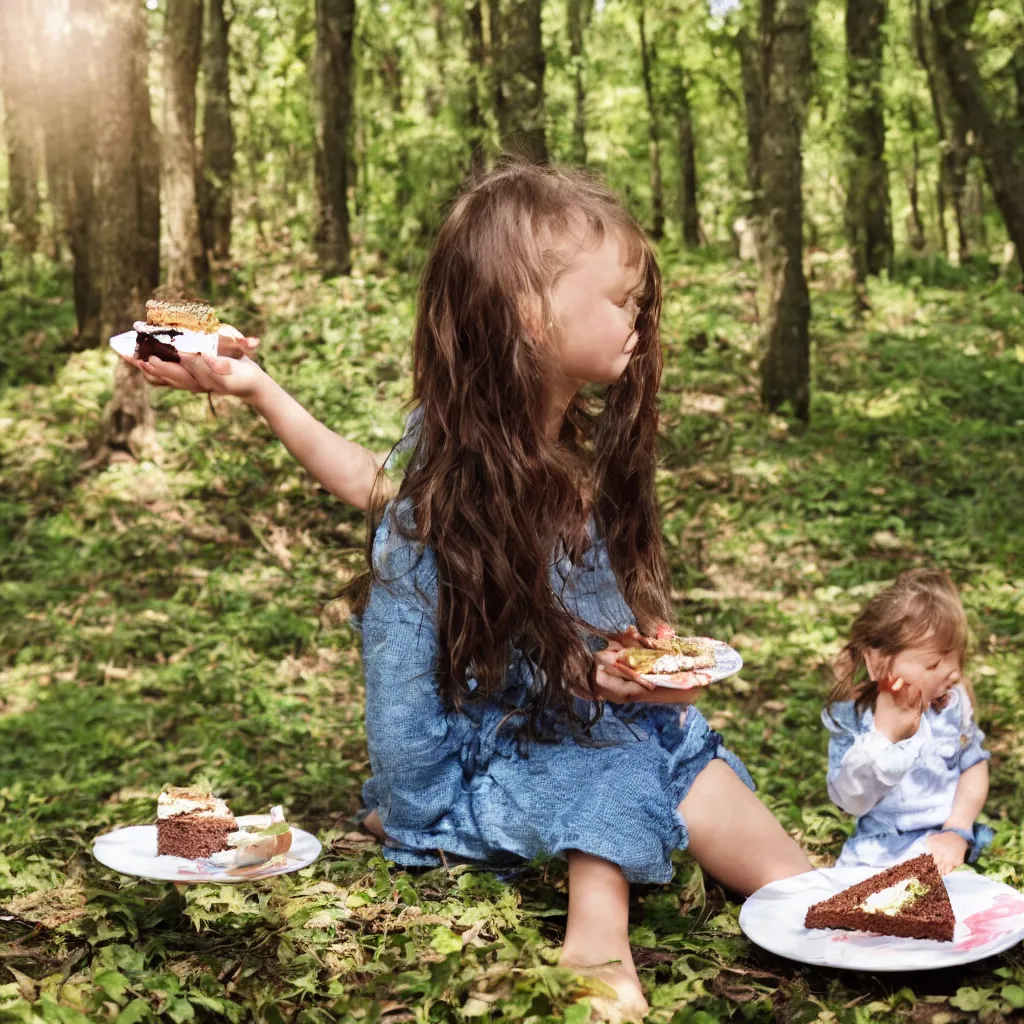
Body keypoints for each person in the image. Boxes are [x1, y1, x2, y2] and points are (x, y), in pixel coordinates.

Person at [124, 162, 810, 1020]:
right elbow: (383, 495)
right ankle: (594, 948)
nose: (636, 317)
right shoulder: (456, 472)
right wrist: (259, 388)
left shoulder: (545, 449)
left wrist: (630, 651)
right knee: (616, 764)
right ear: (532, 315)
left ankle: (820, 902)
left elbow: (400, 504)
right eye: (618, 298)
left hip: (557, 718)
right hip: (464, 756)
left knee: (687, 756)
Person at [823, 568, 992, 875]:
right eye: (934, 663)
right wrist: (884, 737)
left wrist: (957, 830)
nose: (952, 672)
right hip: (875, 849)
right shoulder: (855, 716)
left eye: (953, 659)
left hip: (942, 843)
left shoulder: (951, 705)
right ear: (877, 663)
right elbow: (850, 801)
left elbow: (973, 765)